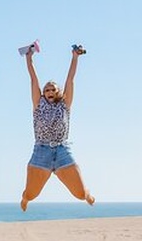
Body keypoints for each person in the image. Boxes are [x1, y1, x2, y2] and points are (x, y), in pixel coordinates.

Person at [21, 45, 94, 211]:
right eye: (46, 90)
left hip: (62, 150)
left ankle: (87, 193)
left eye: (52, 89)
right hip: (41, 150)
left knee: (80, 194)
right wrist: (29, 58)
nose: (49, 91)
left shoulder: (65, 105)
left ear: (58, 92)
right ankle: (24, 198)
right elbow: (33, 80)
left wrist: (75, 57)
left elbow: (70, 80)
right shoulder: (38, 104)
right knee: (31, 195)